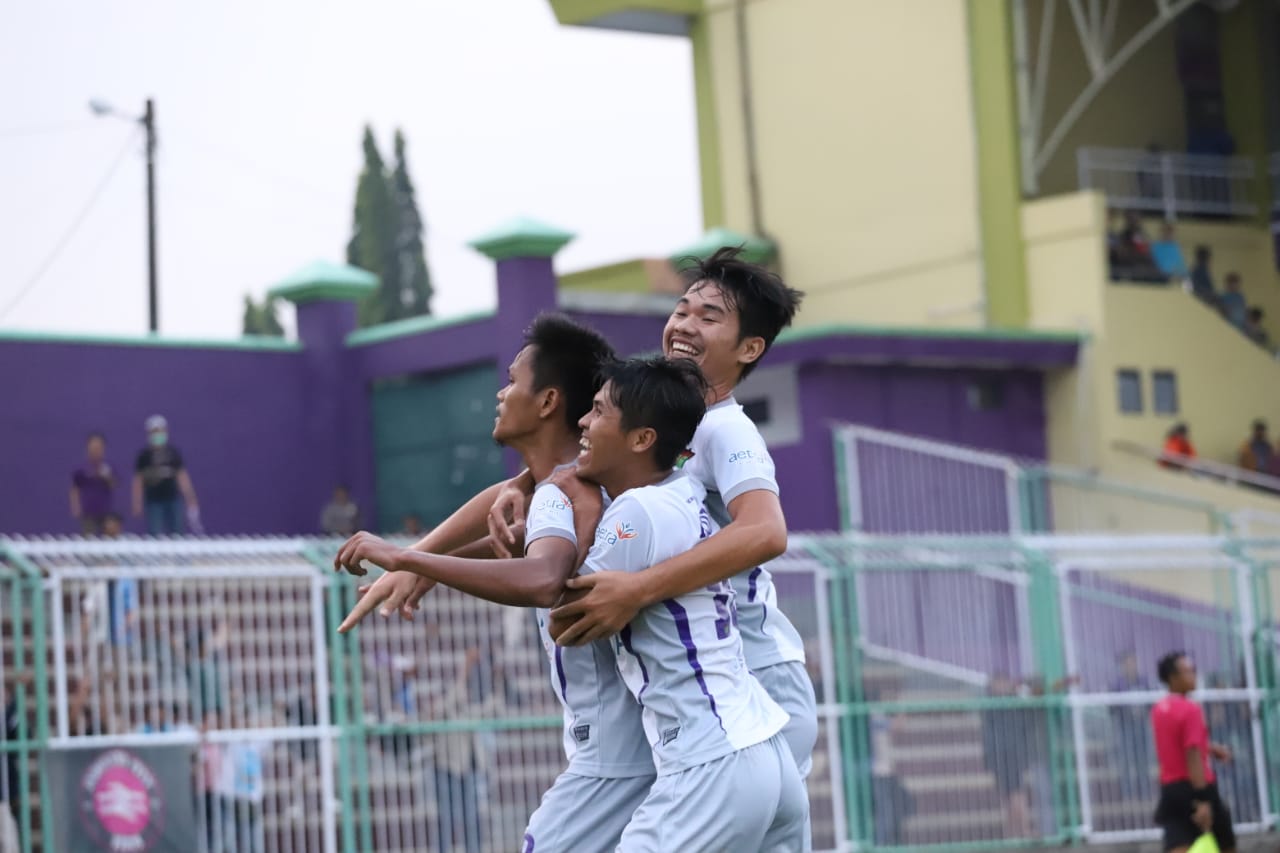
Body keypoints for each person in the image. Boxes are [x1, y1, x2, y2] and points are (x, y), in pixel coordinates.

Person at [496, 248, 820, 789]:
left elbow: (766, 530)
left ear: (750, 348)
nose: (685, 325)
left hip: (756, 677)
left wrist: (637, 589)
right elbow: (574, 471)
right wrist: (522, 483)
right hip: (715, 685)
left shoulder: (725, 428)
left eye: (709, 317)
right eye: (682, 310)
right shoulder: (662, 424)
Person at [336, 315, 652, 851]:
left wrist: (409, 559)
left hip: (619, 759)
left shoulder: (573, 493)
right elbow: (518, 512)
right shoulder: (574, 488)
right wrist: (419, 562)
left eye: (512, 380)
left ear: (548, 401)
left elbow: (543, 576)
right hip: (633, 752)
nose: (501, 392)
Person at [1151, 652, 1236, 853]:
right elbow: (1192, 754)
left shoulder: (1159, 709)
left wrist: (1212, 749)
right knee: (1226, 844)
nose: (1194, 675)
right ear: (1173, 678)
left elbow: (1181, 743)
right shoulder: (1191, 709)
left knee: (1177, 844)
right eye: (1188, 671)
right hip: (1195, 785)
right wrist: (1202, 799)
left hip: (1171, 790)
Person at [132, 415, 200, 535]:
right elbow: (138, 480)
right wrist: (137, 502)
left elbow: (182, 477)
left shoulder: (173, 453)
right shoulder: (144, 456)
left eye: (160, 431)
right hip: (153, 500)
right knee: (154, 532)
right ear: (149, 433)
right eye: (155, 432)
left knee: (178, 531)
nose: (158, 434)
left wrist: (190, 497)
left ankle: (179, 554)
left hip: (172, 498)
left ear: (165, 431)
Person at [70, 432, 116, 535]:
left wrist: (106, 476)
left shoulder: (108, 467)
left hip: (106, 511)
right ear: (88, 448)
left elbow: (114, 485)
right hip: (87, 512)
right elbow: (75, 488)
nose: (96, 449)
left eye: (98, 447)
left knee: (107, 542)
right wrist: (76, 507)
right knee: (88, 542)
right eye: (93, 446)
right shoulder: (82, 468)